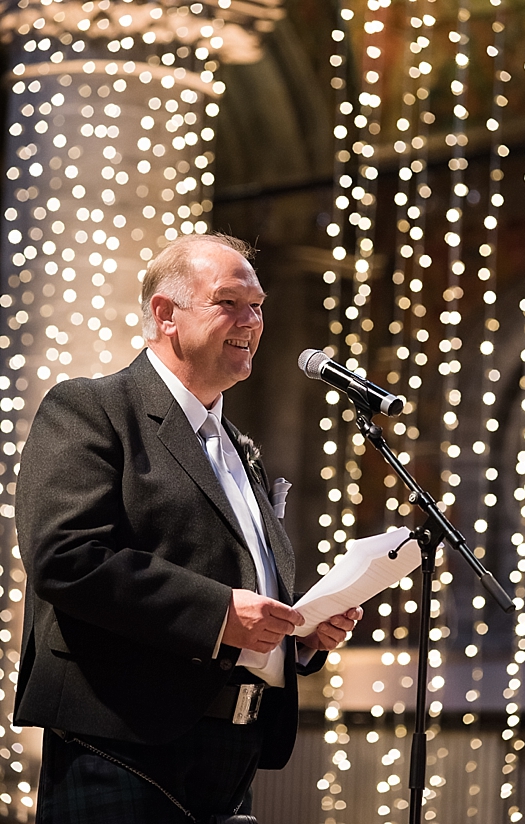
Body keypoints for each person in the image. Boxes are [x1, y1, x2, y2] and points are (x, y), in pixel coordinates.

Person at [15, 234, 362, 824]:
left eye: (258, 307)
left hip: (231, 752)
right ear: (164, 315)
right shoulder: (91, 408)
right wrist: (219, 614)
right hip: (122, 743)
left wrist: (296, 635)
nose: (251, 321)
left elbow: (239, 577)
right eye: (229, 302)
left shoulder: (238, 448)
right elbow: (65, 556)